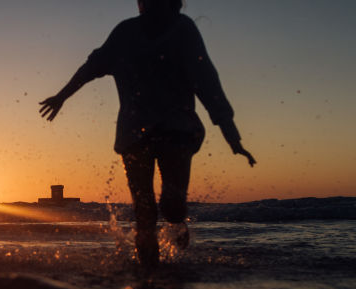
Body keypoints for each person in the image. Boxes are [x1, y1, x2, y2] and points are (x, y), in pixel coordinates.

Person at [40, 0, 256, 266]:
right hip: (134, 134)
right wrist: (62, 96)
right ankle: (148, 279)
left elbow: (206, 79)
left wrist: (229, 131)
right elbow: (92, 66)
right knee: (144, 213)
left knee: (173, 205)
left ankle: (177, 229)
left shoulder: (183, 30)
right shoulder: (125, 32)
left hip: (177, 130)